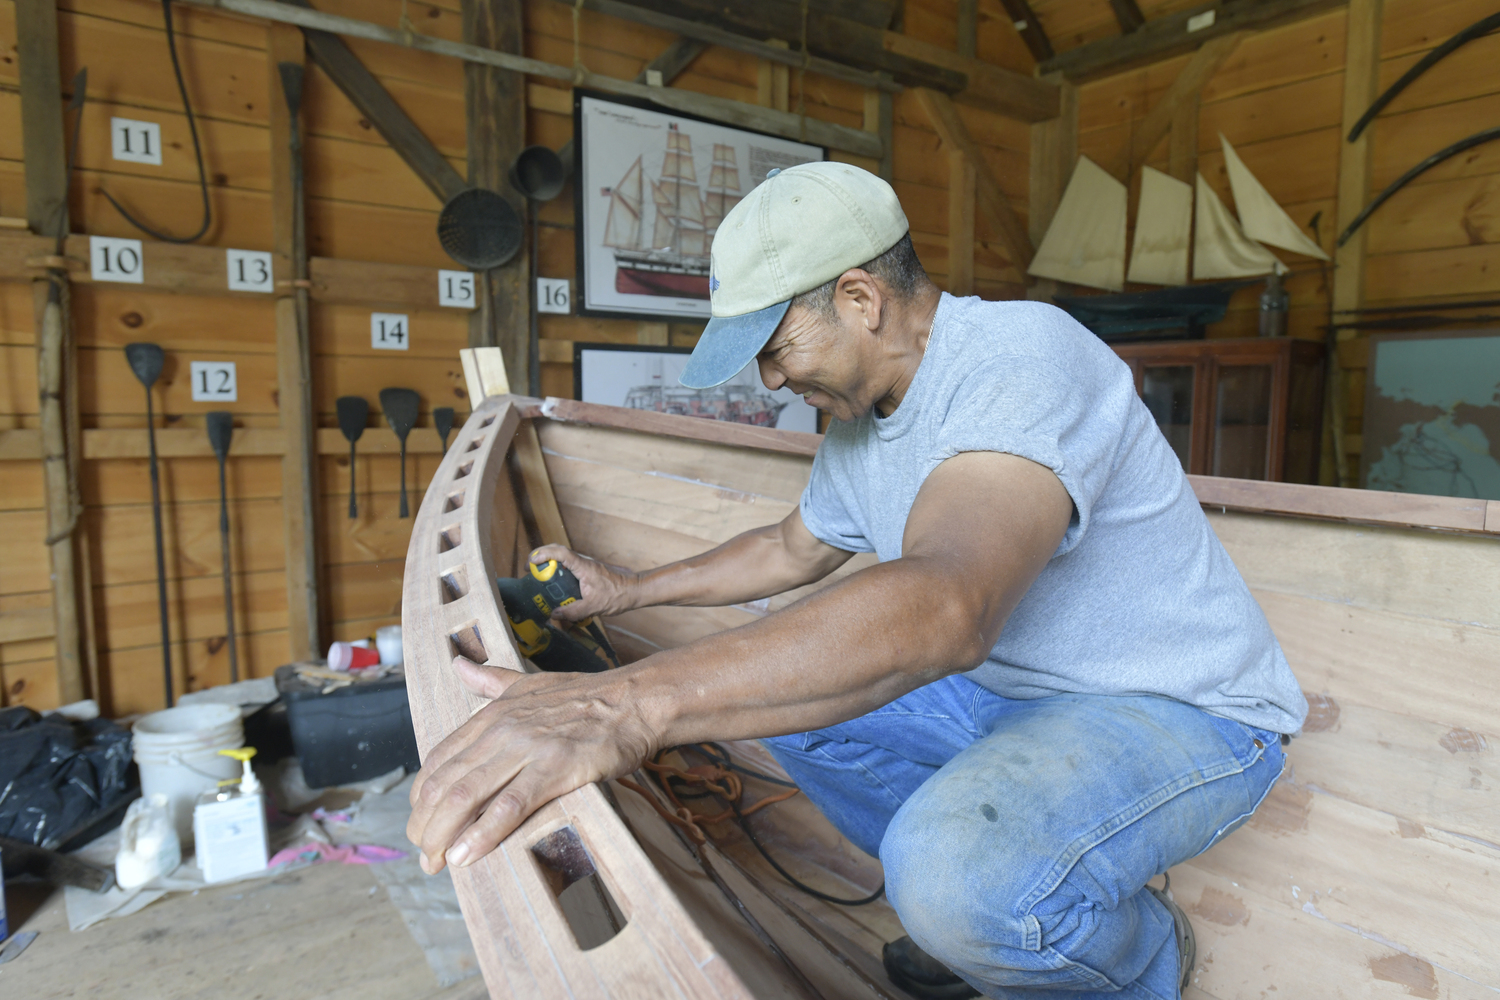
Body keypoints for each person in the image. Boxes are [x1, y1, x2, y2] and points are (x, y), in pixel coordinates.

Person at [406, 161, 1308, 999]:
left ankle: (1134, 952)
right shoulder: (859, 421)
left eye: (775, 344)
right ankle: (975, 908)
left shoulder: (1021, 359)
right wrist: (630, 590)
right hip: (1011, 694)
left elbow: (948, 607)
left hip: (1179, 707)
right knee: (806, 717)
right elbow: (791, 550)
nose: (767, 377)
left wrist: (621, 707)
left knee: (953, 879)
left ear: (860, 298)